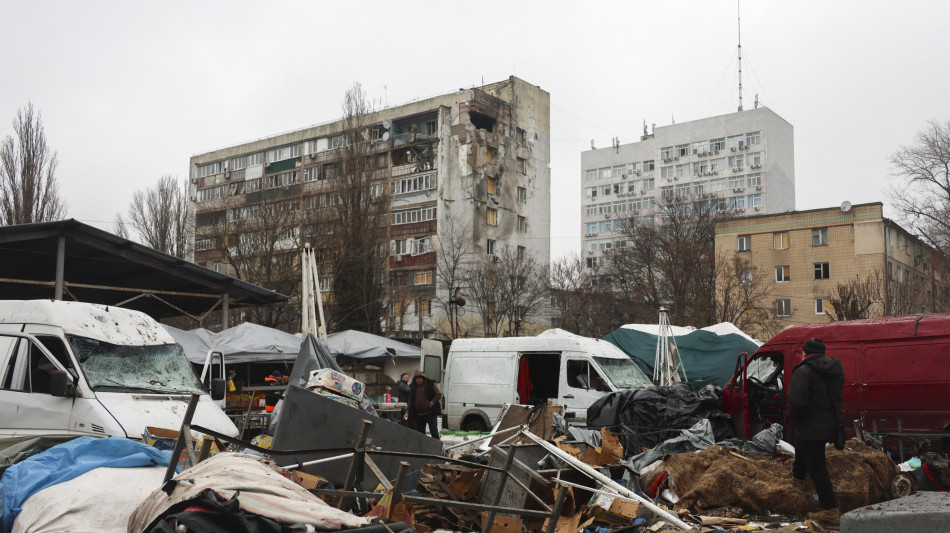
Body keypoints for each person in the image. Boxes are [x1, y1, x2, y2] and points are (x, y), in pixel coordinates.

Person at [788, 338, 844, 524]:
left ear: (806, 353)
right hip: (828, 424)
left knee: (818, 467)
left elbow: (797, 403)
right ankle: (798, 479)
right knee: (801, 447)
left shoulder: (804, 371)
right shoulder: (834, 370)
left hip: (810, 425)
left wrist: (794, 419)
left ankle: (830, 509)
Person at [408, 369, 442, 439]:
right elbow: (410, 401)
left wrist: (432, 403)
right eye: (417, 379)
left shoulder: (430, 384)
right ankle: (423, 448)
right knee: (421, 434)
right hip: (419, 415)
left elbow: (439, 394)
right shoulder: (413, 387)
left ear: (423, 378)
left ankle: (437, 448)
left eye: (419, 378)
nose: (418, 380)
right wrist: (407, 412)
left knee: (434, 432)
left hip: (430, 413)